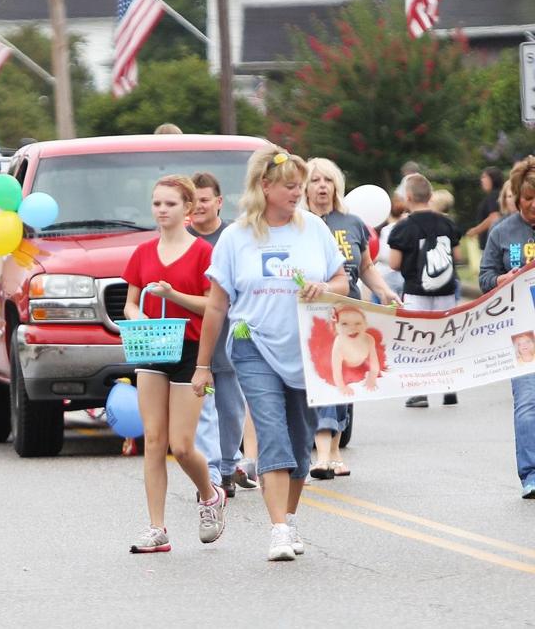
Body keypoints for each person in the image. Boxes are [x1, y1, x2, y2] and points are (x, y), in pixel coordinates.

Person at [195, 146, 348, 561]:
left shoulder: (313, 229)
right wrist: (203, 366)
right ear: (265, 186)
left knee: (301, 444)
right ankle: (278, 529)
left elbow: (341, 280)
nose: (298, 193)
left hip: (306, 348)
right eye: (290, 186)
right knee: (272, 434)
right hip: (252, 343)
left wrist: (326, 289)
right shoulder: (236, 236)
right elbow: (216, 305)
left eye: (300, 186)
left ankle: (290, 517)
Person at [122, 175, 227, 553]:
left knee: (182, 446)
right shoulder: (143, 252)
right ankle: (156, 528)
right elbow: (131, 302)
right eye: (157, 204)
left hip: (189, 349)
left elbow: (212, 304)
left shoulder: (202, 253)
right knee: (153, 440)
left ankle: (210, 494)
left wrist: (173, 295)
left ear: (187, 209)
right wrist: (137, 318)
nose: (162, 210)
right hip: (150, 348)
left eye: (170, 204)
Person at [304, 157, 401, 478]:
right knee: (325, 378)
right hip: (312, 315)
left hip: (350, 312)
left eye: (327, 180)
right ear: (304, 186)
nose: (321, 186)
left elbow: (366, 266)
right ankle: (322, 453)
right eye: (315, 180)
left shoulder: (352, 223)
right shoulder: (298, 223)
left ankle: (332, 452)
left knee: (345, 380)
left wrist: (384, 291)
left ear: (336, 186)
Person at [188, 172, 257, 496]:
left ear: (218, 202)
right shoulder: (183, 239)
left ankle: (228, 466)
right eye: (194, 200)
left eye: (205, 200)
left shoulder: (234, 237)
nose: (199, 206)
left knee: (231, 411)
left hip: (229, 339)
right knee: (202, 413)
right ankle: (212, 472)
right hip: (192, 340)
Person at [478, 156, 535, 499]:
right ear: (515, 197)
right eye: (528, 199)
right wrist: (503, 278)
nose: (534, 205)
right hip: (522, 331)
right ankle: (531, 473)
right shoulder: (502, 232)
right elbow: (484, 278)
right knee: (528, 401)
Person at [389, 173, 462, 408]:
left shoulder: (403, 228)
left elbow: (394, 263)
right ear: (430, 196)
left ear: (408, 197)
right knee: (445, 338)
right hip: (446, 292)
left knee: (417, 340)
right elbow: (458, 257)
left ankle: (420, 392)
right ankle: (449, 386)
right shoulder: (447, 224)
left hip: (415, 293)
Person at [465, 167, 505, 251]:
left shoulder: (494, 196)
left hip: (491, 245)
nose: (481, 180)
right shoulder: (499, 194)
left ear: (493, 179)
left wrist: (475, 230)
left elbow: (494, 217)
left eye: (484, 177)